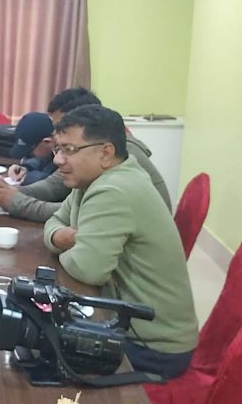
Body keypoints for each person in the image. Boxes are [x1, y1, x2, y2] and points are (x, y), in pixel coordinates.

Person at [43, 105, 198, 379]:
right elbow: (54, 222)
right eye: (58, 149)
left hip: (153, 347)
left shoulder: (113, 189)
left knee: (41, 350)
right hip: (129, 325)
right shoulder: (92, 179)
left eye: (69, 150)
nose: (58, 159)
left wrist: (70, 245)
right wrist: (61, 236)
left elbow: (87, 269)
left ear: (105, 153)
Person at [0, 88, 171, 222]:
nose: (55, 134)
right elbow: (55, 186)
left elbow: (77, 215)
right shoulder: (87, 151)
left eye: (62, 126)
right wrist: (9, 192)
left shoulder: (118, 154)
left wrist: (17, 202)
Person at [5, 112, 56, 186]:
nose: (30, 155)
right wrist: (26, 167)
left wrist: (28, 178)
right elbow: (44, 160)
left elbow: (54, 181)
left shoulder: (66, 156)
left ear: (47, 142)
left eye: (31, 152)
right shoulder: (48, 151)